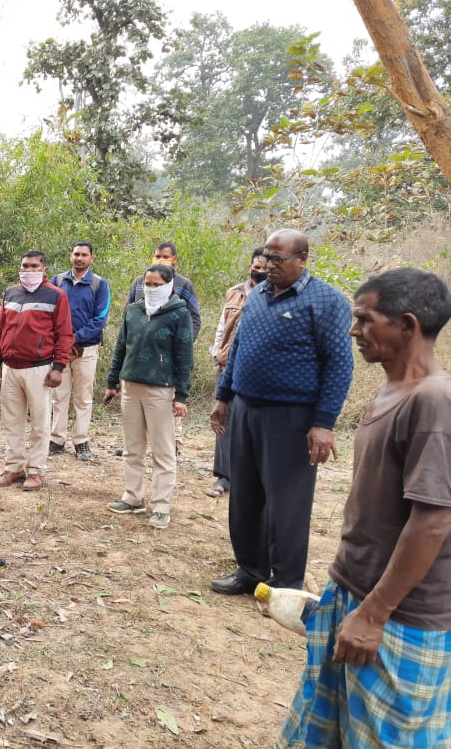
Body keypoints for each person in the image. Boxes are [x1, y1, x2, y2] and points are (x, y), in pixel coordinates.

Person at [278, 268, 451, 748]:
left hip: (399, 619)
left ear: (408, 325)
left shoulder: (435, 402)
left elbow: (434, 521)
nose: (354, 330)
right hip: (353, 593)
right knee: (322, 732)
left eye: (365, 320)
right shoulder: (392, 391)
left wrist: (374, 615)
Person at [210, 229, 354, 595]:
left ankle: (286, 579)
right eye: (266, 258)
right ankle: (250, 569)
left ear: (302, 259)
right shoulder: (256, 295)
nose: (268, 265)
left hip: (291, 416)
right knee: (244, 494)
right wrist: (223, 396)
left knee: (287, 501)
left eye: (278, 259)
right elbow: (239, 347)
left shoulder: (325, 301)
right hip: (245, 407)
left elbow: (339, 363)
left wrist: (324, 422)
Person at [102, 263, 193, 530]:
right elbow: (121, 345)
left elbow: (185, 356)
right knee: (133, 447)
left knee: (163, 451)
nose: (150, 288)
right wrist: (112, 382)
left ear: (169, 285)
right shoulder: (134, 310)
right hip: (130, 385)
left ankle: (162, 506)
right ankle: (133, 497)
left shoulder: (179, 314)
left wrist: (182, 396)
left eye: (156, 284)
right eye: (147, 284)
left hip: (160, 389)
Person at [0, 251, 74, 492]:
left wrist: (58, 367)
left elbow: (64, 334)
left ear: (44, 269)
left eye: (34, 266)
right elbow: (1, 327)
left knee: (39, 422)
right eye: (25, 265)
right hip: (10, 368)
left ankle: (36, 470)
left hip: (39, 369)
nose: (29, 270)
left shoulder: (57, 296)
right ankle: (14, 467)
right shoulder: (12, 292)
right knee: (12, 421)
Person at [204, 247, 267, 498]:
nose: (259, 271)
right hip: (227, 364)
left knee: (253, 422)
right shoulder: (234, 292)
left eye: (264, 268)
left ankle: (251, 477)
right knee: (223, 419)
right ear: (249, 265)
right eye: (256, 266)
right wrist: (216, 353)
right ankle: (224, 477)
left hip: (256, 369)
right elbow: (223, 326)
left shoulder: (273, 295)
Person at [48, 241, 110, 462]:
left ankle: (81, 441)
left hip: (86, 349)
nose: (79, 258)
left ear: (91, 258)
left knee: (83, 398)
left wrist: (75, 337)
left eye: (84, 255)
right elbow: (50, 314)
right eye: (76, 254)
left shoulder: (99, 284)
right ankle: (56, 439)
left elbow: (100, 318)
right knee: (58, 396)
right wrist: (62, 340)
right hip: (60, 350)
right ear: (70, 256)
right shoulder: (57, 281)